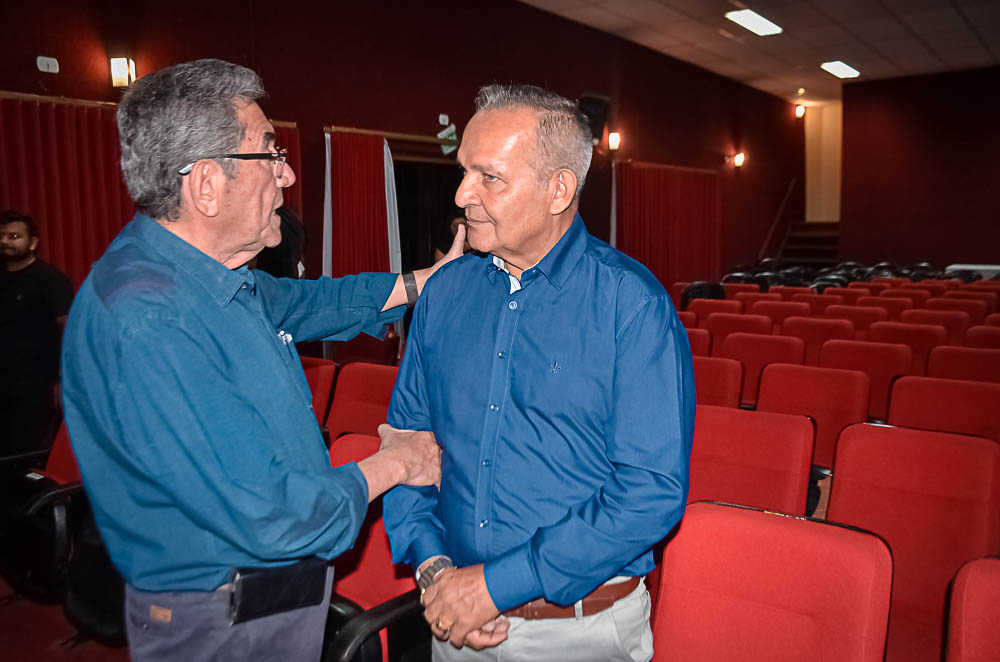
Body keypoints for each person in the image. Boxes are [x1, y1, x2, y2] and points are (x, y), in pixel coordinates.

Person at [60, 59, 464, 662]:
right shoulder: (151, 320)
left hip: (258, 606)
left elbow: (308, 301)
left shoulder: (199, 274)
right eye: (270, 154)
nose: (289, 173)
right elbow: (272, 515)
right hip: (228, 626)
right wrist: (393, 464)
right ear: (205, 185)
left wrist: (420, 283)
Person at [384, 84, 695, 661]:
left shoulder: (632, 305)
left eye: (489, 177)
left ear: (558, 190)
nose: (461, 193)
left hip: (580, 634)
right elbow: (408, 445)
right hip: (453, 617)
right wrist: (434, 570)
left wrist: (495, 585)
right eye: (463, 171)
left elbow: (651, 493)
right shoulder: (443, 295)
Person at [0, 210, 74, 456]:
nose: (6, 241)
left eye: (14, 236)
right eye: (2, 236)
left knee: (24, 454)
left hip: (36, 385)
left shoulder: (48, 279)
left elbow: (70, 330)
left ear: (32, 243)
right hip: (5, 382)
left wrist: (63, 381)